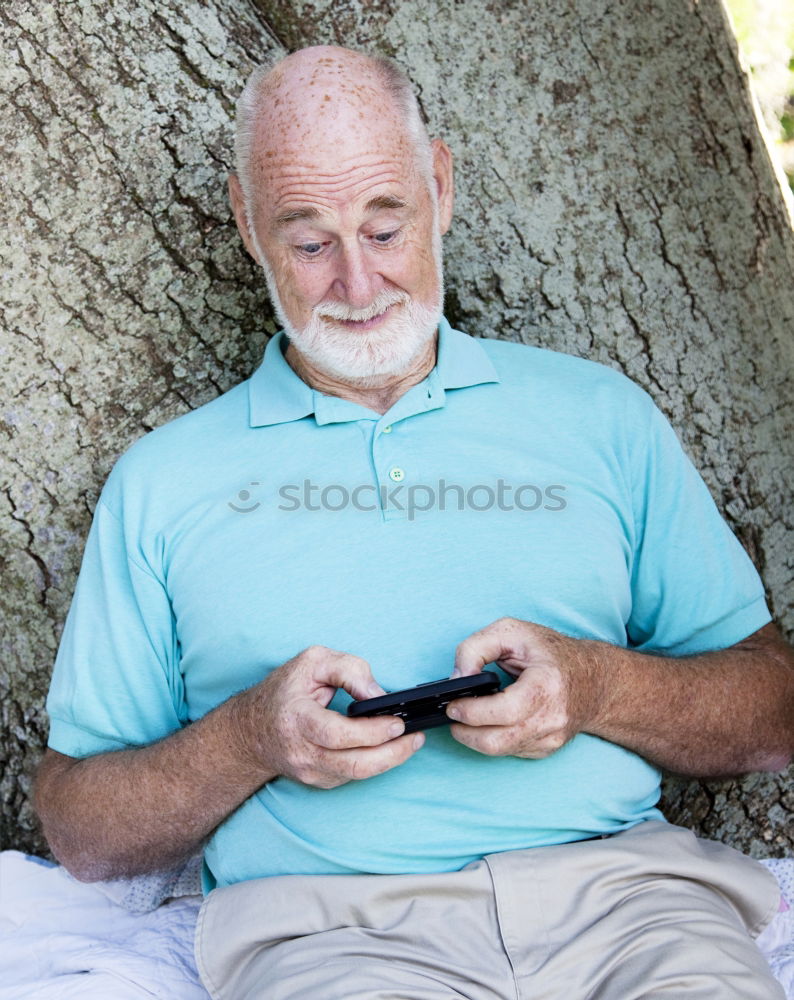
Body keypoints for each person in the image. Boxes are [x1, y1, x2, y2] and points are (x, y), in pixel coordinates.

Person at [34, 45, 793, 999]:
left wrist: (596, 690)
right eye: (310, 242)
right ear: (243, 219)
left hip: (633, 908)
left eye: (386, 227)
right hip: (332, 933)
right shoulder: (161, 482)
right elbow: (80, 827)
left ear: (439, 182)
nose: (357, 283)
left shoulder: (602, 415)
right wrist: (252, 742)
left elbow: (774, 707)